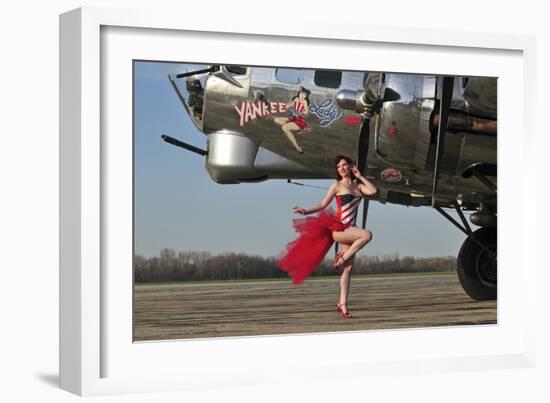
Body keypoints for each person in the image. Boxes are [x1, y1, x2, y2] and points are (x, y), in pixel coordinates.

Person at [277, 155, 377, 318]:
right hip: (339, 229)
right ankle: (342, 258)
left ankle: (342, 304)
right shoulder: (336, 186)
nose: (342, 169)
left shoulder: (358, 187)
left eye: (345, 165)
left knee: (348, 269)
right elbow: (322, 204)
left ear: (351, 166)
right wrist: (306, 211)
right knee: (367, 235)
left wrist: (359, 176)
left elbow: (373, 191)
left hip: (351, 231)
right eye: (339, 167)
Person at [274, 86, 311, 154]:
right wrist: (289, 105)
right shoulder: (296, 99)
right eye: (301, 93)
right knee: (276, 120)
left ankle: (298, 148)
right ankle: (296, 130)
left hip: (299, 120)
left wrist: (300, 112)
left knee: (284, 128)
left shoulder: (304, 101)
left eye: (304, 94)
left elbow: (306, 112)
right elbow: (288, 106)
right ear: (299, 93)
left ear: (306, 96)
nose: (302, 95)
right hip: (293, 118)